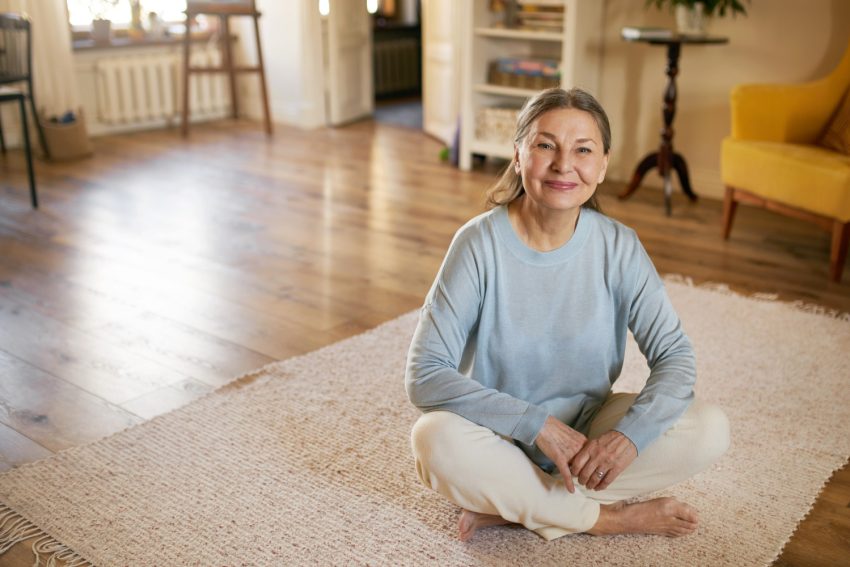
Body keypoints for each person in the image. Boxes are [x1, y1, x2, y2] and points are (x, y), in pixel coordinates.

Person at [405, 87, 730, 542]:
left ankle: (524, 505)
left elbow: (675, 356)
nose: (563, 165)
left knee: (709, 428)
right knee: (433, 439)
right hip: (501, 437)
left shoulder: (619, 246)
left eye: (583, 150)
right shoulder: (477, 244)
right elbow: (424, 375)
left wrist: (627, 438)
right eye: (545, 145)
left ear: (602, 164)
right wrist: (536, 425)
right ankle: (604, 519)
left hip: (590, 435)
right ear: (518, 155)